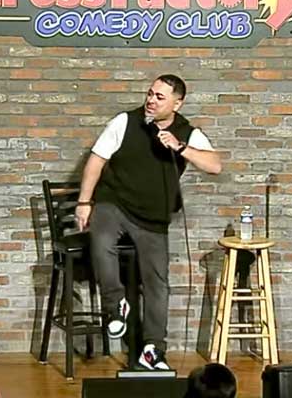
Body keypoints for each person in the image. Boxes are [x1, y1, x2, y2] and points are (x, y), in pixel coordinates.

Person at [75, 74, 222, 370]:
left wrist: (180, 147)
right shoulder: (125, 122)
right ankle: (116, 305)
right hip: (114, 202)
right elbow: (96, 160)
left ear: (177, 104)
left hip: (152, 216)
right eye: (150, 93)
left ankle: (153, 349)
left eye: (160, 97)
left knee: (158, 282)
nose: (151, 100)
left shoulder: (187, 132)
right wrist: (83, 202)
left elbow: (215, 166)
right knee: (101, 240)